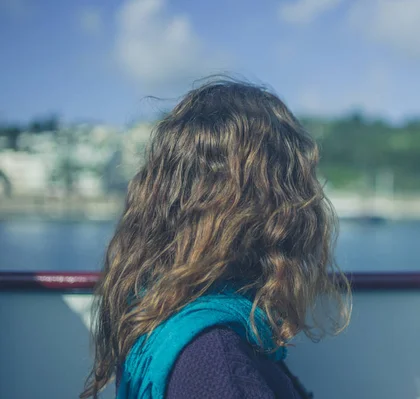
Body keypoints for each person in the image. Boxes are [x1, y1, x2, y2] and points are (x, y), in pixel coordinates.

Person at [81, 77, 351, 399]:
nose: (310, 202)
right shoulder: (217, 361)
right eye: (298, 185)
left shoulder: (158, 308)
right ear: (275, 210)